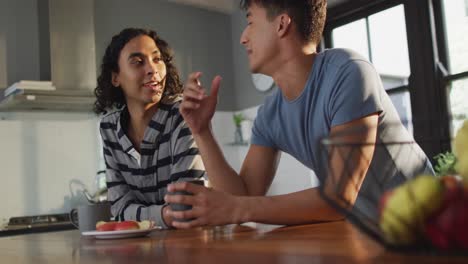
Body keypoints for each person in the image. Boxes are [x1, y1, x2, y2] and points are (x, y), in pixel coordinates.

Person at [165, 0, 433, 228]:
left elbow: (338, 196)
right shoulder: (270, 114)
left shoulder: (348, 71)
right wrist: (202, 132)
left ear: (282, 24)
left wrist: (237, 207)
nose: (243, 37)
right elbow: (243, 195)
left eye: (250, 22)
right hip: (370, 231)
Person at [94, 28, 205, 229]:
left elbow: (185, 206)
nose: (152, 69)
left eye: (157, 59)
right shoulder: (109, 127)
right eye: (137, 62)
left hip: (193, 242)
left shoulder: (184, 115)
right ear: (115, 78)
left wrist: (143, 217)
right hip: (140, 247)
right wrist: (163, 214)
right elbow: (118, 208)